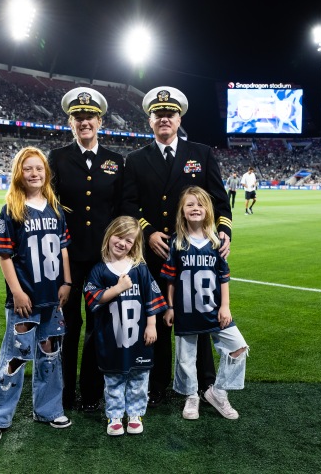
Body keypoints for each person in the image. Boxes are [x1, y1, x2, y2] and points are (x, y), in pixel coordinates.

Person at [122, 86, 232, 408]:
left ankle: (205, 387)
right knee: (156, 318)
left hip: (195, 256)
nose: (164, 119)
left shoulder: (201, 153)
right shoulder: (136, 159)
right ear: (150, 120)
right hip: (154, 254)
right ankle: (157, 387)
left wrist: (223, 234)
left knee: (199, 320)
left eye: (170, 114)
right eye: (159, 115)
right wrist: (149, 232)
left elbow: (220, 202)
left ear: (179, 118)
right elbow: (129, 204)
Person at [0, 147, 73, 444]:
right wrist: (18, 292)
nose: (34, 174)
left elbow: (62, 248)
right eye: (28, 169)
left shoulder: (55, 207)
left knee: (50, 357)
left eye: (39, 168)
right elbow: (5, 256)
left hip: (51, 298)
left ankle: (47, 410)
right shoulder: (11, 209)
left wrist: (67, 282)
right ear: (19, 173)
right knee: (16, 358)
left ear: (46, 173)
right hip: (25, 301)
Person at [48, 87, 124, 412]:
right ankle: (63, 393)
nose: (84, 122)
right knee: (67, 324)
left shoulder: (116, 161)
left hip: (102, 262)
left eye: (89, 117)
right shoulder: (58, 158)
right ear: (71, 122)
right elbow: (49, 206)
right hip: (67, 260)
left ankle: (91, 392)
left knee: (97, 326)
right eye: (78, 117)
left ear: (100, 120)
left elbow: (123, 211)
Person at [162, 186, 248, 420]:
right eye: (190, 204)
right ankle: (191, 396)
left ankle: (218, 392)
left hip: (214, 310)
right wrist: (170, 307)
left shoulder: (216, 241)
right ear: (182, 211)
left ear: (208, 210)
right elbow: (170, 279)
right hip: (186, 311)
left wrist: (225, 306)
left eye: (200, 204)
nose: (195, 208)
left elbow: (223, 277)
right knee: (186, 358)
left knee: (238, 347)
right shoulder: (176, 242)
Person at [84, 216, 167, 436]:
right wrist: (118, 288)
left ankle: (135, 414)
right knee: (114, 378)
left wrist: (151, 325)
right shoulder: (99, 270)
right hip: (112, 338)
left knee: (139, 377)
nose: (122, 243)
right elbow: (93, 299)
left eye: (129, 240)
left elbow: (151, 298)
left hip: (139, 337)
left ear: (135, 244)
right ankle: (114, 416)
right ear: (109, 235)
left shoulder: (139, 268)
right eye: (119, 237)